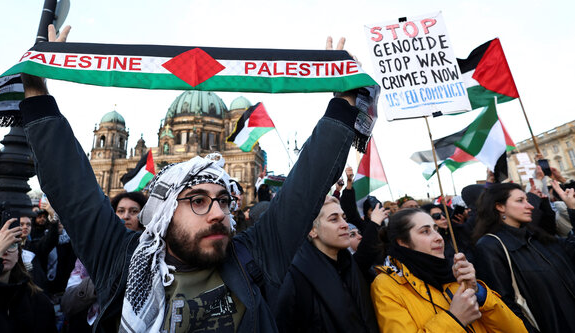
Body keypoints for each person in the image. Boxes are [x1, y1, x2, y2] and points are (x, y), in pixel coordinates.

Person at [19, 26, 369, 332]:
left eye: (224, 200)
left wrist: (343, 100)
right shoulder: (119, 260)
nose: (219, 213)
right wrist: (36, 89)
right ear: (163, 212)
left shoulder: (254, 259)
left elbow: (306, 187)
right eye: (198, 200)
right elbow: (71, 187)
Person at [371, 208, 526, 333]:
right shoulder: (387, 285)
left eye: (435, 229)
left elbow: (516, 330)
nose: (438, 237)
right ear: (403, 242)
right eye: (425, 231)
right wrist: (455, 319)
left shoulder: (456, 274)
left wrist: (479, 292)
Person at [473, 181, 575, 332]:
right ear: (500, 207)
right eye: (520, 201)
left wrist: (572, 209)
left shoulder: (536, 237)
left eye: (527, 200)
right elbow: (504, 306)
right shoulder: (490, 246)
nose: (530, 206)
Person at [273, 196, 380, 332]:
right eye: (334, 219)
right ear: (312, 230)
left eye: (344, 218)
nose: (345, 225)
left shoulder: (349, 265)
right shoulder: (295, 277)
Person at [61, 191, 148, 332]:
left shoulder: (153, 253)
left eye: (134, 211)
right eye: (120, 211)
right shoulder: (90, 251)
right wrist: (100, 279)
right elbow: (67, 304)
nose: (126, 216)